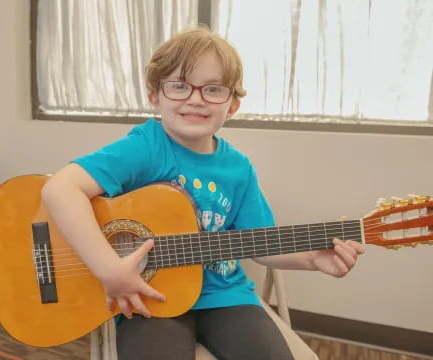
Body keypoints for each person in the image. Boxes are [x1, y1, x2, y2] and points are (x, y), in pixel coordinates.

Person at [41, 27, 365, 360]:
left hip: (226, 297)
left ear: (233, 105)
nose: (195, 99)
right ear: (155, 96)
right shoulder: (146, 147)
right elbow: (61, 188)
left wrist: (313, 258)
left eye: (213, 89)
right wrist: (109, 268)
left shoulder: (239, 169)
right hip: (150, 295)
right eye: (179, 86)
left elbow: (260, 243)